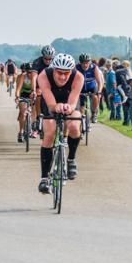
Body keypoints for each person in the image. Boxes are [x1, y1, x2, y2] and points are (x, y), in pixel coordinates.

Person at [36, 53, 84, 193]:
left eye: (66, 73)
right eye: (59, 73)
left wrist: (69, 107)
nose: (63, 77)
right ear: (54, 69)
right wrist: (54, 106)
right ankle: (44, 178)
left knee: (74, 126)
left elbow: (73, 101)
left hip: (69, 100)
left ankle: (71, 159)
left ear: (71, 71)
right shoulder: (43, 76)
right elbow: (50, 102)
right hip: (51, 101)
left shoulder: (78, 77)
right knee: (50, 133)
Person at [75, 54, 104, 124]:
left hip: (92, 87)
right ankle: (82, 124)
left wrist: (99, 91)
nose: (85, 65)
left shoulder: (94, 67)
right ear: (80, 63)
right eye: (83, 63)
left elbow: (99, 82)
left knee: (95, 97)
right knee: (81, 107)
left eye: (87, 63)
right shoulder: (76, 68)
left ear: (89, 62)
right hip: (81, 88)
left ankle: (94, 114)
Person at [15, 63, 36, 143]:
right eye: (28, 72)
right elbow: (18, 89)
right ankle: (21, 132)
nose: (30, 74)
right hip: (23, 95)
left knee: (35, 109)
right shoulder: (23, 76)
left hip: (32, 95)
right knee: (23, 112)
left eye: (32, 72)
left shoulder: (35, 77)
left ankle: (34, 126)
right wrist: (17, 97)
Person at [115, 60, 132, 125]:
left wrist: (126, 88)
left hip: (125, 89)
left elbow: (123, 81)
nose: (122, 65)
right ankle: (127, 121)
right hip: (128, 89)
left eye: (123, 64)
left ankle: (126, 121)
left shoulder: (122, 71)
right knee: (127, 106)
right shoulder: (128, 71)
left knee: (125, 106)